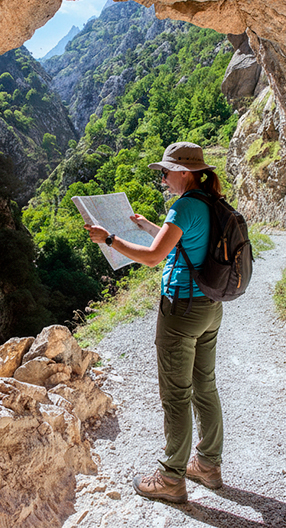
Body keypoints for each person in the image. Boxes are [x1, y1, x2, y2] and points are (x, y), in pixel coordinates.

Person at [84, 141, 225, 504]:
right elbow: (181, 244)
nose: (162, 178)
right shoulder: (210, 202)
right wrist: (147, 225)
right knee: (204, 386)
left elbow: (152, 259)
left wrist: (110, 238)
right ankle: (208, 465)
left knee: (176, 396)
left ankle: (171, 478)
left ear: (183, 172)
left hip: (180, 310)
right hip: (209, 305)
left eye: (165, 172)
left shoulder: (183, 206)